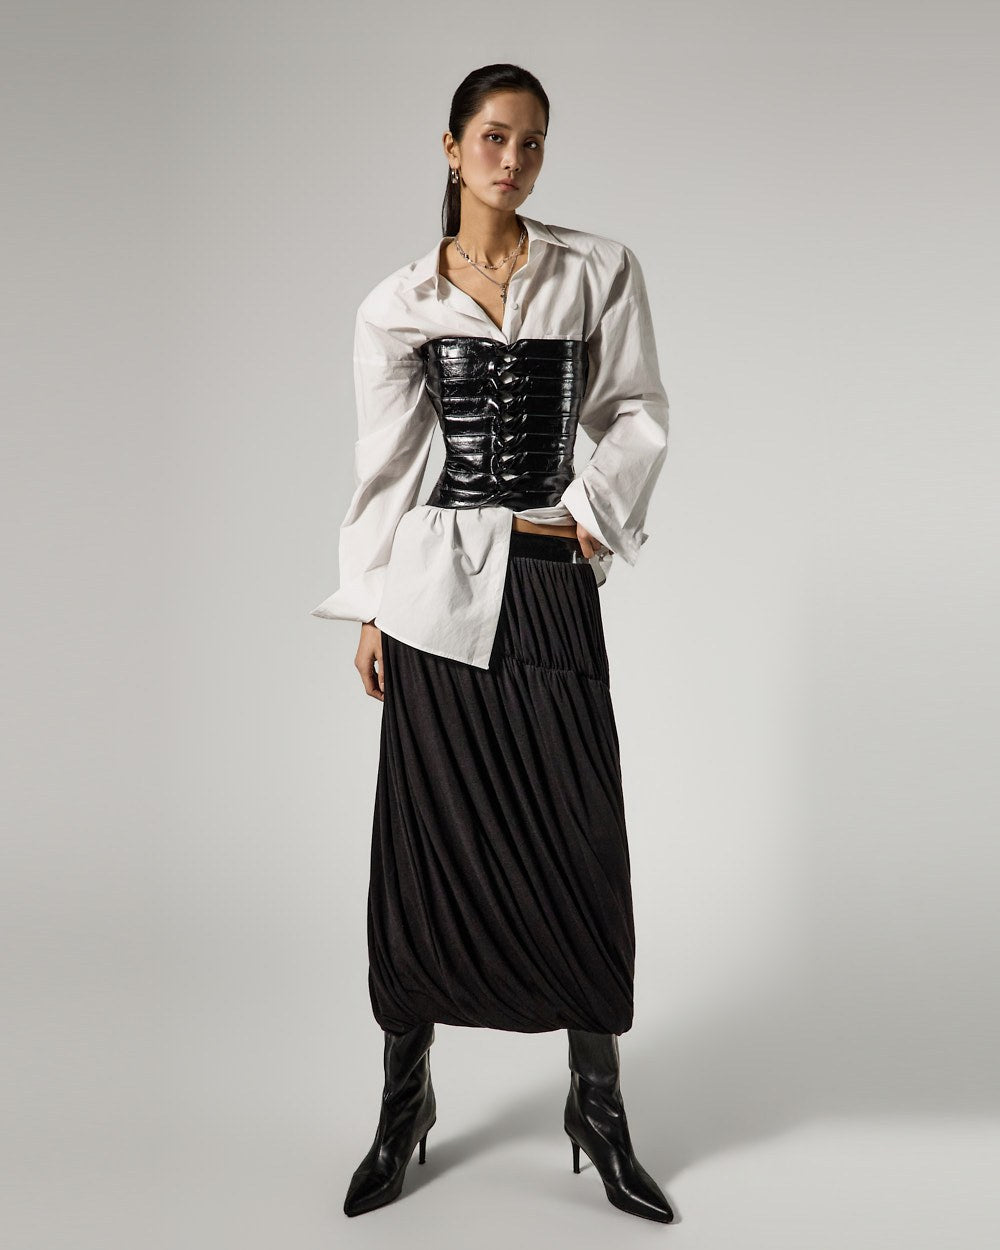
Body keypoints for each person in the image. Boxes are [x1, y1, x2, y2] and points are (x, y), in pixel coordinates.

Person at [311, 63, 674, 1224]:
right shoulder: (397, 302)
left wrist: (588, 512)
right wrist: (371, 605)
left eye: (531, 143)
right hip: (434, 595)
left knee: (580, 837)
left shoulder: (596, 268)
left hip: (549, 583)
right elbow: (385, 466)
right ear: (452, 147)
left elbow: (635, 408)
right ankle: (403, 1100)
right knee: (425, 840)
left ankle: (596, 1106)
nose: (512, 161)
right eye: (492, 138)